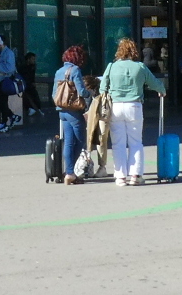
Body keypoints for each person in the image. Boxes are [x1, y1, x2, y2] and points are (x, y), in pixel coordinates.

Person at [101, 37, 165, 186]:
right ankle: (135, 175)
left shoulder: (111, 66)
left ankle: (120, 177)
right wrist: (162, 90)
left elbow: (102, 87)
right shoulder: (140, 67)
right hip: (134, 106)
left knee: (118, 143)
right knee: (135, 142)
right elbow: (154, 83)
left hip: (116, 107)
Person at [53, 45, 91, 184]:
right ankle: (70, 172)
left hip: (62, 111)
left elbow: (54, 94)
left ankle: (69, 172)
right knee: (81, 140)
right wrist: (90, 93)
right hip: (74, 111)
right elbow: (82, 92)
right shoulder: (75, 70)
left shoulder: (58, 71)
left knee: (69, 142)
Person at [20, 49, 43, 117]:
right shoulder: (23, 68)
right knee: (26, 97)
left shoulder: (32, 67)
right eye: (32, 59)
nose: (34, 60)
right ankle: (31, 108)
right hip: (24, 84)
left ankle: (37, 108)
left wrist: (33, 82)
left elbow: (32, 76)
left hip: (29, 84)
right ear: (28, 59)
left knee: (35, 95)